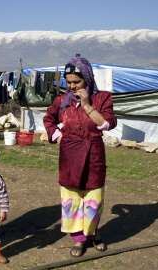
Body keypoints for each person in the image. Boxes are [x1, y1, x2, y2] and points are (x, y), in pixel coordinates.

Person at [43, 54, 117, 257]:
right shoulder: (62, 101)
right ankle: (79, 239)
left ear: (88, 78)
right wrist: (57, 135)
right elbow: (48, 118)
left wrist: (86, 105)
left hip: (93, 154)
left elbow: (107, 123)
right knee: (72, 200)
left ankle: (92, 232)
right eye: (69, 83)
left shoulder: (103, 98)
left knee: (93, 200)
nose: (73, 87)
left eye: (77, 82)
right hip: (69, 155)